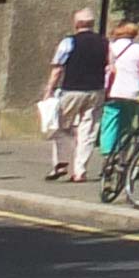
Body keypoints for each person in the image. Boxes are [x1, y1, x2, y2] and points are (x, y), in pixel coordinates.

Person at [39, 9, 108, 179]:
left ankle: (61, 163)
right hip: (96, 91)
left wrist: (49, 90)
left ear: (76, 24)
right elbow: (110, 66)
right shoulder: (105, 42)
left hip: (71, 90)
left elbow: (57, 68)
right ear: (92, 24)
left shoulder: (68, 42)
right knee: (88, 130)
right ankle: (80, 171)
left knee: (60, 126)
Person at [95, 16, 139, 170]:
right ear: (134, 34)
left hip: (113, 91)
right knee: (128, 126)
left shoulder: (109, 48)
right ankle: (123, 157)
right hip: (134, 93)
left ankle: (108, 157)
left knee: (110, 123)